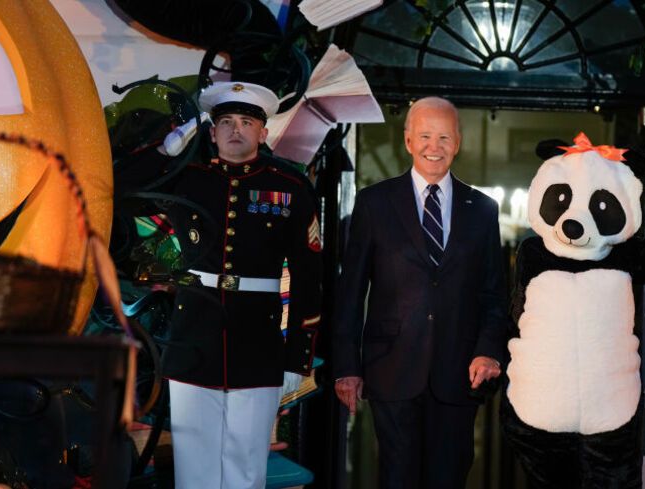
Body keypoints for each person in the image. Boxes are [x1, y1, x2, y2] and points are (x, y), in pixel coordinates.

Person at [129, 81, 323, 488]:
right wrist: (168, 148)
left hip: (257, 341)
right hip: (194, 336)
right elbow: (126, 188)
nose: (237, 130)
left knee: (245, 468)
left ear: (263, 133)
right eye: (227, 122)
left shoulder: (289, 188)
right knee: (193, 467)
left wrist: (297, 358)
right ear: (212, 132)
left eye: (247, 122)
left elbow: (309, 277)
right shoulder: (187, 178)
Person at [331, 97, 508, 489]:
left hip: (459, 372)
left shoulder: (482, 209)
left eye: (444, 136)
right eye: (425, 135)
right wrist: (347, 366)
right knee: (398, 478)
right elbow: (351, 290)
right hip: (390, 367)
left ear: (458, 142)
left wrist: (489, 349)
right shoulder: (374, 203)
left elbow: (494, 293)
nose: (435, 146)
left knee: (449, 478)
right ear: (408, 140)